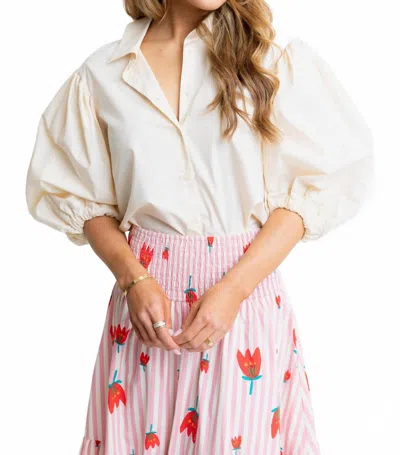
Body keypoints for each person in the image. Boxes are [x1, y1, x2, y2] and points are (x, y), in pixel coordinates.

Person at [25, 1, 374, 454]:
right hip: (145, 316)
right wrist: (133, 279)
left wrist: (235, 289)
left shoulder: (271, 61)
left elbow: (311, 190)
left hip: (243, 305)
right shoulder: (103, 74)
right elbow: (81, 197)